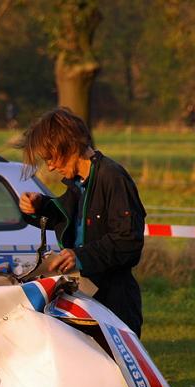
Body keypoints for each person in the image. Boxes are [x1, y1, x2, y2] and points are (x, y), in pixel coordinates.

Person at [18, 107, 146, 336]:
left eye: (50, 158)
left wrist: (80, 256)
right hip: (85, 302)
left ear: (67, 145)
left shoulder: (113, 177)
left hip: (114, 305)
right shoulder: (79, 185)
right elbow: (64, 217)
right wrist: (38, 207)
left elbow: (129, 242)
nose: (50, 167)